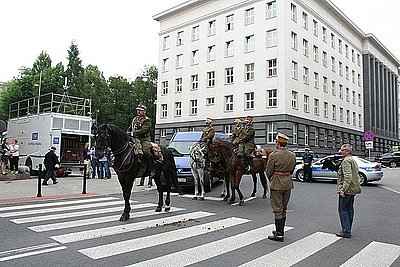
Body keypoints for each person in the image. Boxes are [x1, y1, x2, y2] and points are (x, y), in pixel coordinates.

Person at [266, 133, 296, 242]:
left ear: (278, 143)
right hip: (288, 183)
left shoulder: (274, 155)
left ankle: (279, 234)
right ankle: (280, 230)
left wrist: (272, 179)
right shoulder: (292, 155)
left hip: (277, 183)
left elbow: (268, 171)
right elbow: (292, 169)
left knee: (277, 209)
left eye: (276, 142)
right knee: (284, 208)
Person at [336, 144, 361, 238]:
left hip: (348, 189)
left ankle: (346, 231)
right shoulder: (352, 160)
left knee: (342, 209)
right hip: (353, 188)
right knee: (350, 209)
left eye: (342, 150)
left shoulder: (346, 161)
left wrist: (343, 189)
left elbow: (348, 176)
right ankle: (348, 228)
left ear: (347, 151)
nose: (340, 151)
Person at [127, 104, 154, 175]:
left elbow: (143, 131)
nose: (138, 112)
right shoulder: (135, 119)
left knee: (146, 151)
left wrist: (133, 133)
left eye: (140, 110)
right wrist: (127, 133)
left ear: (144, 111)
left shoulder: (147, 120)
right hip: (134, 138)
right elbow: (130, 128)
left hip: (144, 139)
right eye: (137, 110)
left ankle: (152, 169)